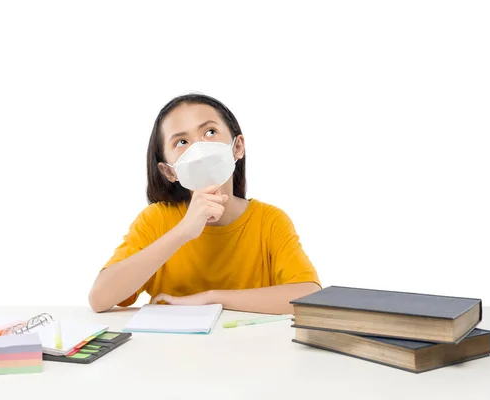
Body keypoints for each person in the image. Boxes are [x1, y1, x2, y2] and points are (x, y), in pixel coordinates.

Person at [88, 93, 321, 314]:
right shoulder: (156, 220)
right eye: (181, 141)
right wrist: (184, 231)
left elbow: (309, 297)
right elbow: (100, 299)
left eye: (210, 132)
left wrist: (211, 299)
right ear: (169, 171)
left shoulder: (270, 221)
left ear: (237, 147)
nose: (198, 148)